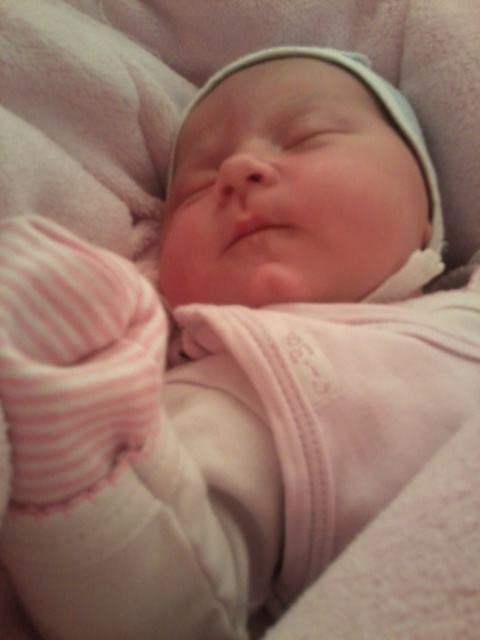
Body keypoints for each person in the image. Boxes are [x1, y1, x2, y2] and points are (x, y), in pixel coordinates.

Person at [1, 47, 479, 640]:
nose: (235, 170)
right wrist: (77, 431)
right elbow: (160, 611)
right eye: (195, 188)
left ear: (427, 209)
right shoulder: (220, 394)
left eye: (307, 136)